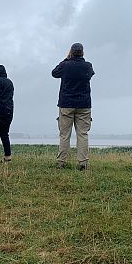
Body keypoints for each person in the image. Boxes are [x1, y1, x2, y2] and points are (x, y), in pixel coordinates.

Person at [51, 43, 95, 171]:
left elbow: (54, 73)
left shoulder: (65, 65)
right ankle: (83, 163)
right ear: (82, 52)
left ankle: (61, 162)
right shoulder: (87, 66)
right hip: (84, 104)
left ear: (71, 52)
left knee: (64, 134)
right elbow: (90, 74)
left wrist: (66, 59)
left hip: (66, 103)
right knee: (83, 134)